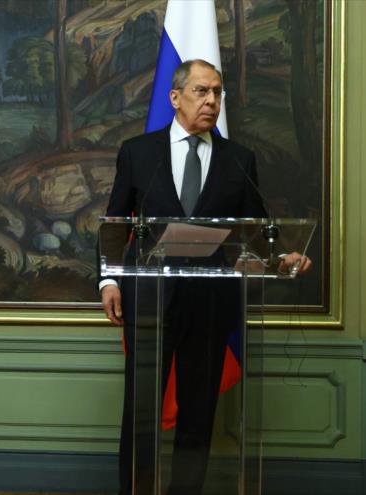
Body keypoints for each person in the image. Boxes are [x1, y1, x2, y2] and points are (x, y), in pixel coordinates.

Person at [100, 60, 311, 495]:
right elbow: (116, 224)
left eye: (217, 92)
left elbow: (258, 234)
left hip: (212, 304)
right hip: (150, 301)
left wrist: (282, 258)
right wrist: (109, 281)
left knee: (198, 416)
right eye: (201, 91)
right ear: (175, 98)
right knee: (141, 414)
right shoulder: (138, 153)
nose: (212, 101)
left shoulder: (239, 159)